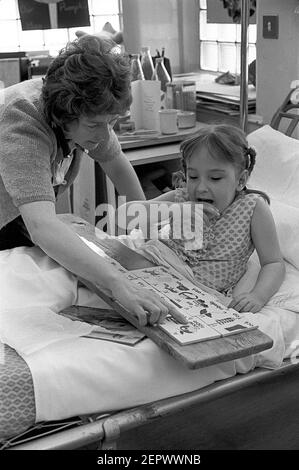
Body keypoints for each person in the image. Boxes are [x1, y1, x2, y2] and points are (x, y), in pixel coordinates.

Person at [0, 33, 186, 327]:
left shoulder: (90, 117)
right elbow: (41, 225)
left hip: (15, 215)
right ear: (63, 114)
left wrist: (145, 220)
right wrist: (117, 283)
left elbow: (116, 163)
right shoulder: (21, 121)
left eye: (111, 123)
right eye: (96, 125)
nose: (103, 134)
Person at [118, 124, 285, 313]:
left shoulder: (252, 209)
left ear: (240, 180)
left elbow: (273, 263)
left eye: (215, 178)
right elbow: (124, 215)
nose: (201, 187)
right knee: (112, 277)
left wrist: (258, 296)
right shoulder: (182, 198)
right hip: (162, 268)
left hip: (201, 292)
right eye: (193, 176)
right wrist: (175, 209)